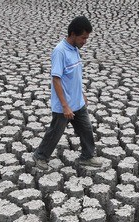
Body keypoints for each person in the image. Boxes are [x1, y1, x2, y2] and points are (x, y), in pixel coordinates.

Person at [33, 16, 102, 170]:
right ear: (73, 34)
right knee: (55, 133)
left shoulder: (75, 49)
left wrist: (82, 94)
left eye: (86, 38)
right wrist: (65, 106)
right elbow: (56, 80)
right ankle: (40, 156)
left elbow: (74, 76)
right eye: (83, 38)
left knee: (86, 130)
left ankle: (87, 156)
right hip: (64, 104)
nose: (85, 41)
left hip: (77, 102)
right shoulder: (60, 51)